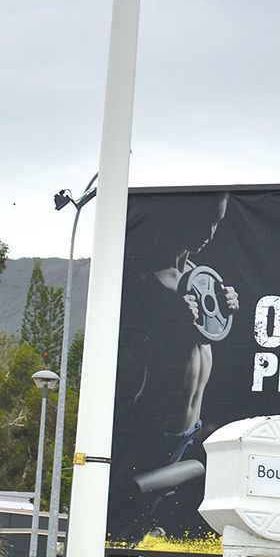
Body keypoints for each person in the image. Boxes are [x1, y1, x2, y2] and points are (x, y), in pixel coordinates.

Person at [110, 193, 242, 538]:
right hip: (154, 432)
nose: (209, 233)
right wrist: (166, 321)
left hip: (191, 431)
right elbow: (130, 352)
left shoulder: (202, 278)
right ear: (183, 216)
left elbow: (209, 335)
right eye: (204, 221)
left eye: (216, 223)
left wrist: (229, 306)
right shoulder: (143, 279)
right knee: (126, 520)